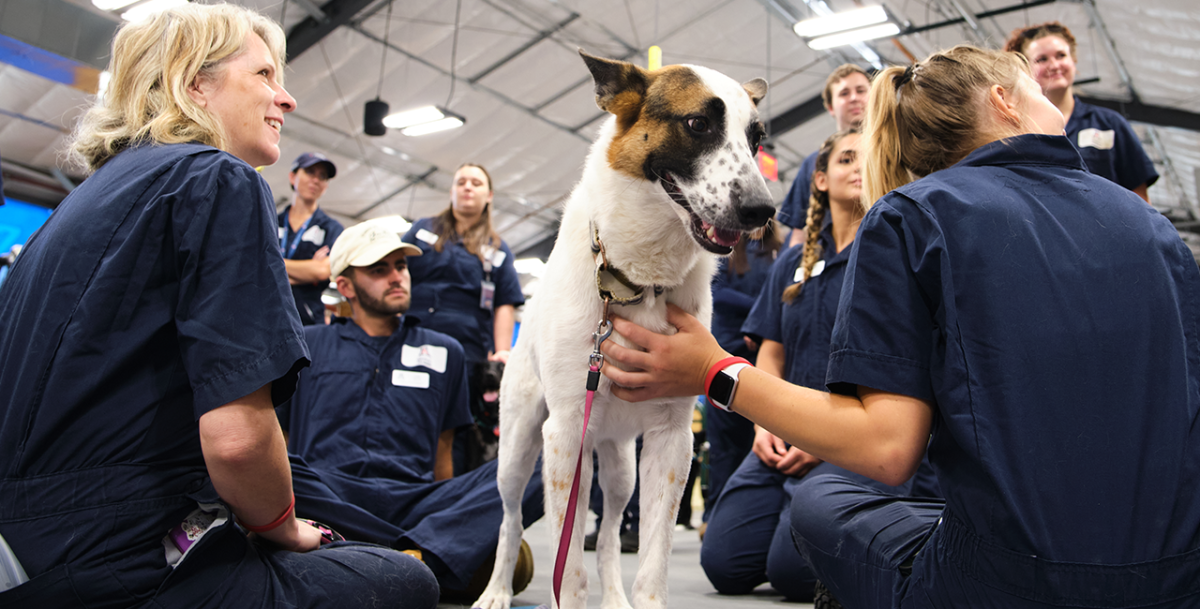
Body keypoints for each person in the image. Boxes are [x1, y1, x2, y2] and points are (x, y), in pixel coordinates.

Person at [599, 45, 1200, 609]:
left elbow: (887, 450)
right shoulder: (1152, 229)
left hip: (1003, 582)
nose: (1053, 95)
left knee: (823, 504)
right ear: (1002, 100)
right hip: (1176, 579)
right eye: (1035, 85)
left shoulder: (915, 215)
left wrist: (714, 370)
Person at [0, 4, 436, 609]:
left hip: (28, 546)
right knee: (404, 581)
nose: (285, 98)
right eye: (263, 75)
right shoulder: (214, 179)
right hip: (120, 560)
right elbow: (237, 443)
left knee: (314, 484)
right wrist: (280, 527)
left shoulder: (73, 211)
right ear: (192, 83)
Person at [278, 219, 544, 599]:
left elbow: (443, 451)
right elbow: (281, 442)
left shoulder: (445, 351)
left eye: (401, 266)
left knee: (546, 459)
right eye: (378, 269)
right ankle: (423, 556)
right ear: (345, 286)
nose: (396, 277)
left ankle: (395, 554)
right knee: (269, 463)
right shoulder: (305, 346)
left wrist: (451, 513)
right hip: (330, 497)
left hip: (417, 502)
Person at [701, 130, 913, 602]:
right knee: (723, 565)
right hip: (782, 434)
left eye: (868, 157)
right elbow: (770, 354)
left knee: (792, 573)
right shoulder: (793, 260)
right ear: (820, 179)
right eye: (846, 158)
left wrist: (822, 441)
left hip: (850, 440)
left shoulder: (893, 252)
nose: (858, 166)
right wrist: (764, 423)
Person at [404, 163, 525, 473]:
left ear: (489, 195)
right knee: (410, 416)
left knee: (458, 426)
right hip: (415, 343)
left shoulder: (498, 250)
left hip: (467, 355)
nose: (467, 187)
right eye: (461, 182)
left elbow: (504, 304)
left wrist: (502, 353)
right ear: (451, 191)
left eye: (475, 182)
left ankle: (450, 491)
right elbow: (396, 274)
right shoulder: (422, 230)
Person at [1004, 21, 1158, 202]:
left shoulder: (1109, 123)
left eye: (1061, 55)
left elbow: (1139, 196)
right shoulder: (1016, 131)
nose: (1054, 65)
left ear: (1074, 61)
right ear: (1026, 70)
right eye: (1042, 59)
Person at [702, 219, 784, 525]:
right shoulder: (726, 249)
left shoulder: (778, 252)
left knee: (764, 439)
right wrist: (760, 316)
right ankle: (716, 517)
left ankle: (758, 518)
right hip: (727, 356)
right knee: (724, 446)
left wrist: (765, 326)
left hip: (766, 358)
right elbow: (718, 295)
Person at [778, 64, 870, 247]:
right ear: (830, 107)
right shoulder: (813, 164)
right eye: (844, 93)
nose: (854, 98)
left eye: (861, 91)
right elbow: (799, 234)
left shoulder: (894, 155)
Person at [279, 151, 344, 325]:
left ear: (326, 186)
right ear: (293, 177)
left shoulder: (332, 228)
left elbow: (322, 270)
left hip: (307, 321)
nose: (316, 180)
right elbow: (255, 266)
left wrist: (274, 265)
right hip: (266, 313)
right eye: (309, 172)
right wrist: (307, 271)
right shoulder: (270, 221)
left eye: (322, 176)